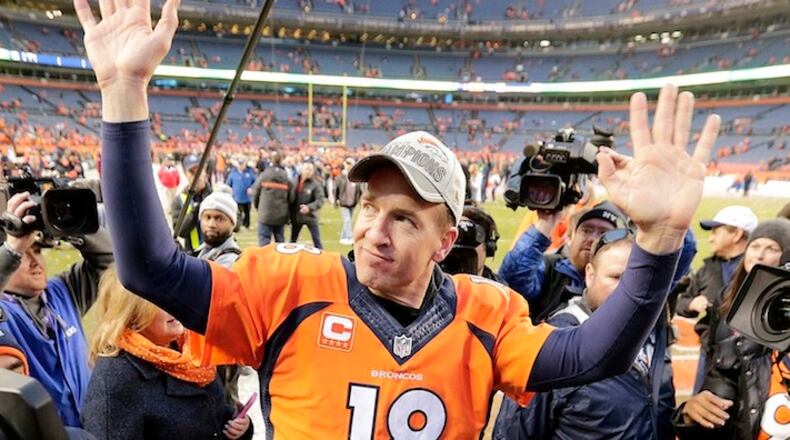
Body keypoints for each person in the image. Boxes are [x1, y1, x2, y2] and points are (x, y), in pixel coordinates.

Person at [74, 1, 720, 435]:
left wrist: (660, 240)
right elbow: (149, 268)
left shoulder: (485, 313)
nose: (375, 230)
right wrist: (124, 93)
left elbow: (593, 355)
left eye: (406, 218)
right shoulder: (287, 287)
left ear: (447, 239)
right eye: (371, 207)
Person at [494, 230, 676, 440]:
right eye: (616, 277)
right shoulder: (553, 343)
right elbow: (514, 433)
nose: (627, 291)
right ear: (590, 275)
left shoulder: (655, 330)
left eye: (636, 280)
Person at [81, 266, 252, 440]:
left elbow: (217, 415)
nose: (175, 303)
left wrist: (240, 428)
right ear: (132, 313)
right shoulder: (115, 378)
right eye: (160, 300)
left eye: (175, 293)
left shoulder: (190, 345)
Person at [0, 192, 113, 427]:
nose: (36, 262)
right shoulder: (3, 312)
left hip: (91, 428)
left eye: (38, 251)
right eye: (24, 255)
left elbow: (109, 260)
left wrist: (68, 223)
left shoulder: (62, 291)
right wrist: (11, 250)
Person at [674, 218, 790, 440]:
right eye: (755, 246)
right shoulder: (726, 299)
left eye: (771, 248)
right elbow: (719, 375)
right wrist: (692, 413)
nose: (759, 255)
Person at [499, 201, 626, 322]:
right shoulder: (550, 269)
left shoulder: (627, 282)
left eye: (603, 233)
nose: (592, 239)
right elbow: (512, 282)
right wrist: (545, 224)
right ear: (570, 238)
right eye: (586, 230)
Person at [675, 205, 757, 390]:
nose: (710, 238)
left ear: (736, 234)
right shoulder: (707, 269)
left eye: (716, 231)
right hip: (711, 354)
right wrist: (691, 304)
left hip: (750, 357)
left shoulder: (756, 270)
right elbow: (681, 303)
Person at [171, 154, 211, 252]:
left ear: (205, 171)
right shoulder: (179, 200)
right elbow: (180, 232)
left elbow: (236, 225)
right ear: (185, 173)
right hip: (194, 255)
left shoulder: (216, 194)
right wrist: (195, 211)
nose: (196, 175)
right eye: (192, 172)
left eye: (199, 170)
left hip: (217, 253)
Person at [252, 151, 291, 246]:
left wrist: (258, 207)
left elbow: (256, 192)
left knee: (264, 243)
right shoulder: (285, 175)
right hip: (281, 214)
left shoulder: (265, 174)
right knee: (280, 243)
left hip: (265, 213)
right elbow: (291, 196)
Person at [194, 191, 242, 267]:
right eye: (207, 217)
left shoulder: (231, 260)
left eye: (219, 219)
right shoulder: (201, 251)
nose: (211, 224)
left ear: (232, 224)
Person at [290, 162, 324, 249]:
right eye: (306, 169)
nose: (308, 172)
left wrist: (309, 207)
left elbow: (320, 200)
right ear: (302, 170)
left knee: (317, 240)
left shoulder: (315, 184)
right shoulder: (294, 181)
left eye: (310, 170)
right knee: (292, 241)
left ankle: (322, 259)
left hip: (310, 216)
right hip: (296, 216)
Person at [335, 158, 362, 246]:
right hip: (343, 202)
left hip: (352, 202)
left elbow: (359, 190)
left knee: (348, 220)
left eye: (350, 164)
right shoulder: (341, 177)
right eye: (348, 163)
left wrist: (359, 200)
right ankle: (350, 238)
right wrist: (336, 200)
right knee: (347, 220)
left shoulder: (355, 176)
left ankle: (343, 238)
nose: (349, 165)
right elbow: (336, 189)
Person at [225, 160, 256, 231]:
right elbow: (228, 184)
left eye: (243, 164)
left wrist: (251, 188)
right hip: (237, 197)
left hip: (247, 198)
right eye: (240, 164)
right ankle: (238, 227)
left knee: (247, 213)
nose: (241, 166)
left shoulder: (250, 173)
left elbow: (255, 182)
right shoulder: (233, 173)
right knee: (238, 214)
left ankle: (246, 225)